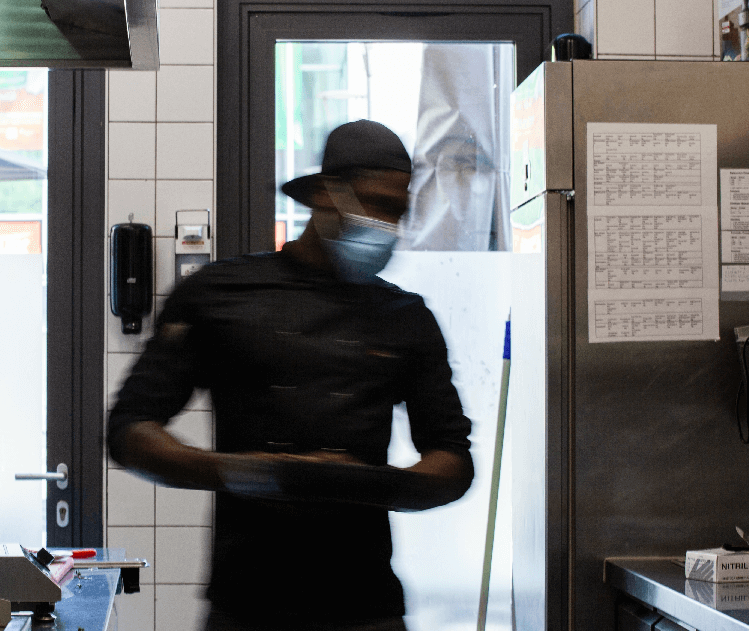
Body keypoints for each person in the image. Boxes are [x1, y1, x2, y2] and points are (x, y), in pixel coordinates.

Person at [107, 120, 474, 631]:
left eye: (397, 212)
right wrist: (249, 473)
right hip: (246, 603)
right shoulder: (220, 295)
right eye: (374, 205)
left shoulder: (405, 317)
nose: (387, 224)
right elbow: (129, 431)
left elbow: (453, 461)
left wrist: (365, 484)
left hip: (366, 606)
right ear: (325, 194)